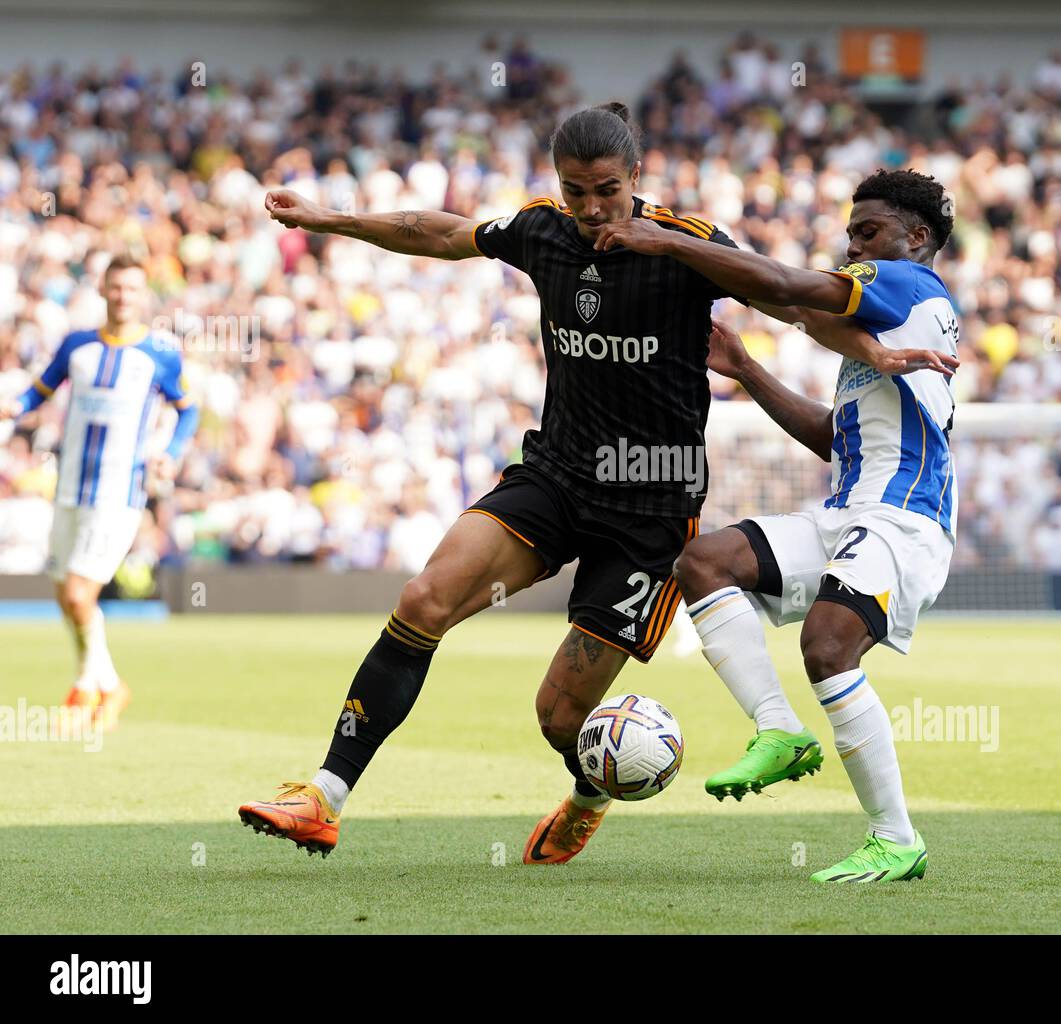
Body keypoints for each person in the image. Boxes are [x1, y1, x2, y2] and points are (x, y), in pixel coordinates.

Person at [237, 102, 888, 863]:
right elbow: (439, 232)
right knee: (422, 601)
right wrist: (331, 221)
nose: (589, 207)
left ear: (637, 178)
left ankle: (589, 792)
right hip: (556, 474)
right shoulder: (543, 228)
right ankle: (325, 796)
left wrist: (877, 351)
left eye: (605, 190)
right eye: (574, 190)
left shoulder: (688, 245)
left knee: (557, 719)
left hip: (651, 506)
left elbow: (788, 298)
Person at [596, 168, 959, 883]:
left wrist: (667, 243)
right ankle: (779, 729)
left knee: (827, 645)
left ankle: (896, 839)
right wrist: (745, 368)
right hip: (849, 512)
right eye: (851, 232)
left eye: (869, 231)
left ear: (917, 239)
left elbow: (788, 289)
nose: (854, 245)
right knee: (705, 562)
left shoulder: (911, 286)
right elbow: (832, 437)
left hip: (904, 519)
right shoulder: (879, 328)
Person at [0, 256, 199, 733]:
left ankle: (100, 685)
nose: (123, 296)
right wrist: (14, 407)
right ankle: (93, 685)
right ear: (103, 290)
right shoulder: (77, 345)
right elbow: (39, 392)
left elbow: (187, 411)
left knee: (78, 591)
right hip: (69, 486)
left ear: (142, 294)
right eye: (115, 288)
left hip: (119, 492)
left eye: (131, 289)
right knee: (66, 597)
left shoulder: (159, 354)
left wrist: (170, 451)